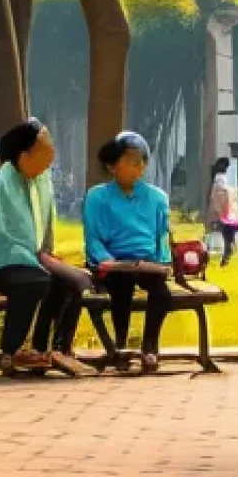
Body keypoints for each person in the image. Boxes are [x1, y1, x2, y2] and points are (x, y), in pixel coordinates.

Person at [0, 118, 92, 377]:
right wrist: (39, 260)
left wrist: (47, 256)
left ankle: (53, 350)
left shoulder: (42, 180)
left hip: (33, 259)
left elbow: (47, 223)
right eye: (45, 150)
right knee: (36, 281)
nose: (51, 154)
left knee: (73, 282)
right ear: (24, 156)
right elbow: (2, 236)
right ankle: (11, 353)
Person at [83, 131, 173, 375]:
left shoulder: (157, 198)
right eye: (131, 161)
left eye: (141, 161)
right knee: (121, 290)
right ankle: (121, 346)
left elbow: (162, 237)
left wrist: (163, 262)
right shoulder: (97, 197)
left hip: (146, 262)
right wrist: (105, 260)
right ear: (112, 167)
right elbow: (93, 239)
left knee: (161, 294)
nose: (138, 166)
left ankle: (149, 347)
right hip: (113, 263)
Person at [206, 157, 238, 267]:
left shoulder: (218, 178)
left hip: (223, 210)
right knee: (227, 233)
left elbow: (218, 194)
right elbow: (221, 193)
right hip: (224, 210)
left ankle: (227, 253)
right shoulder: (220, 178)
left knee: (226, 233)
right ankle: (227, 253)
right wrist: (223, 208)